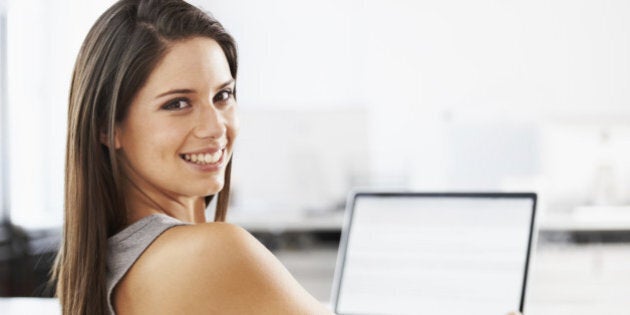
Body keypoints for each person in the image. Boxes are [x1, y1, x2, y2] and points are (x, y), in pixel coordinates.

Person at [51, 0, 331, 314]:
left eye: (222, 95)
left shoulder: (97, 267)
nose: (215, 127)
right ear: (107, 127)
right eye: (178, 104)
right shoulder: (214, 253)